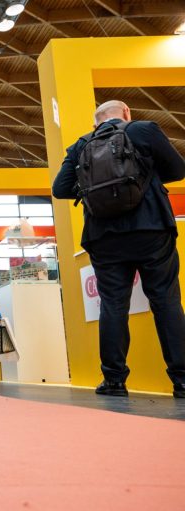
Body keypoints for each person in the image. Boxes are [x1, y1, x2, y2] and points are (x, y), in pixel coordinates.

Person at [53, 100, 185, 398]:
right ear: (127, 113)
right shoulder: (143, 130)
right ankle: (182, 379)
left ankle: (114, 380)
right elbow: (178, 169)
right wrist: (141, 177)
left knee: (113, 304)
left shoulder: (81, 145)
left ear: (95, 122)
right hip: (151, 227)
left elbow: (60, 189)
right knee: (165, 300)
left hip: (103, 235)